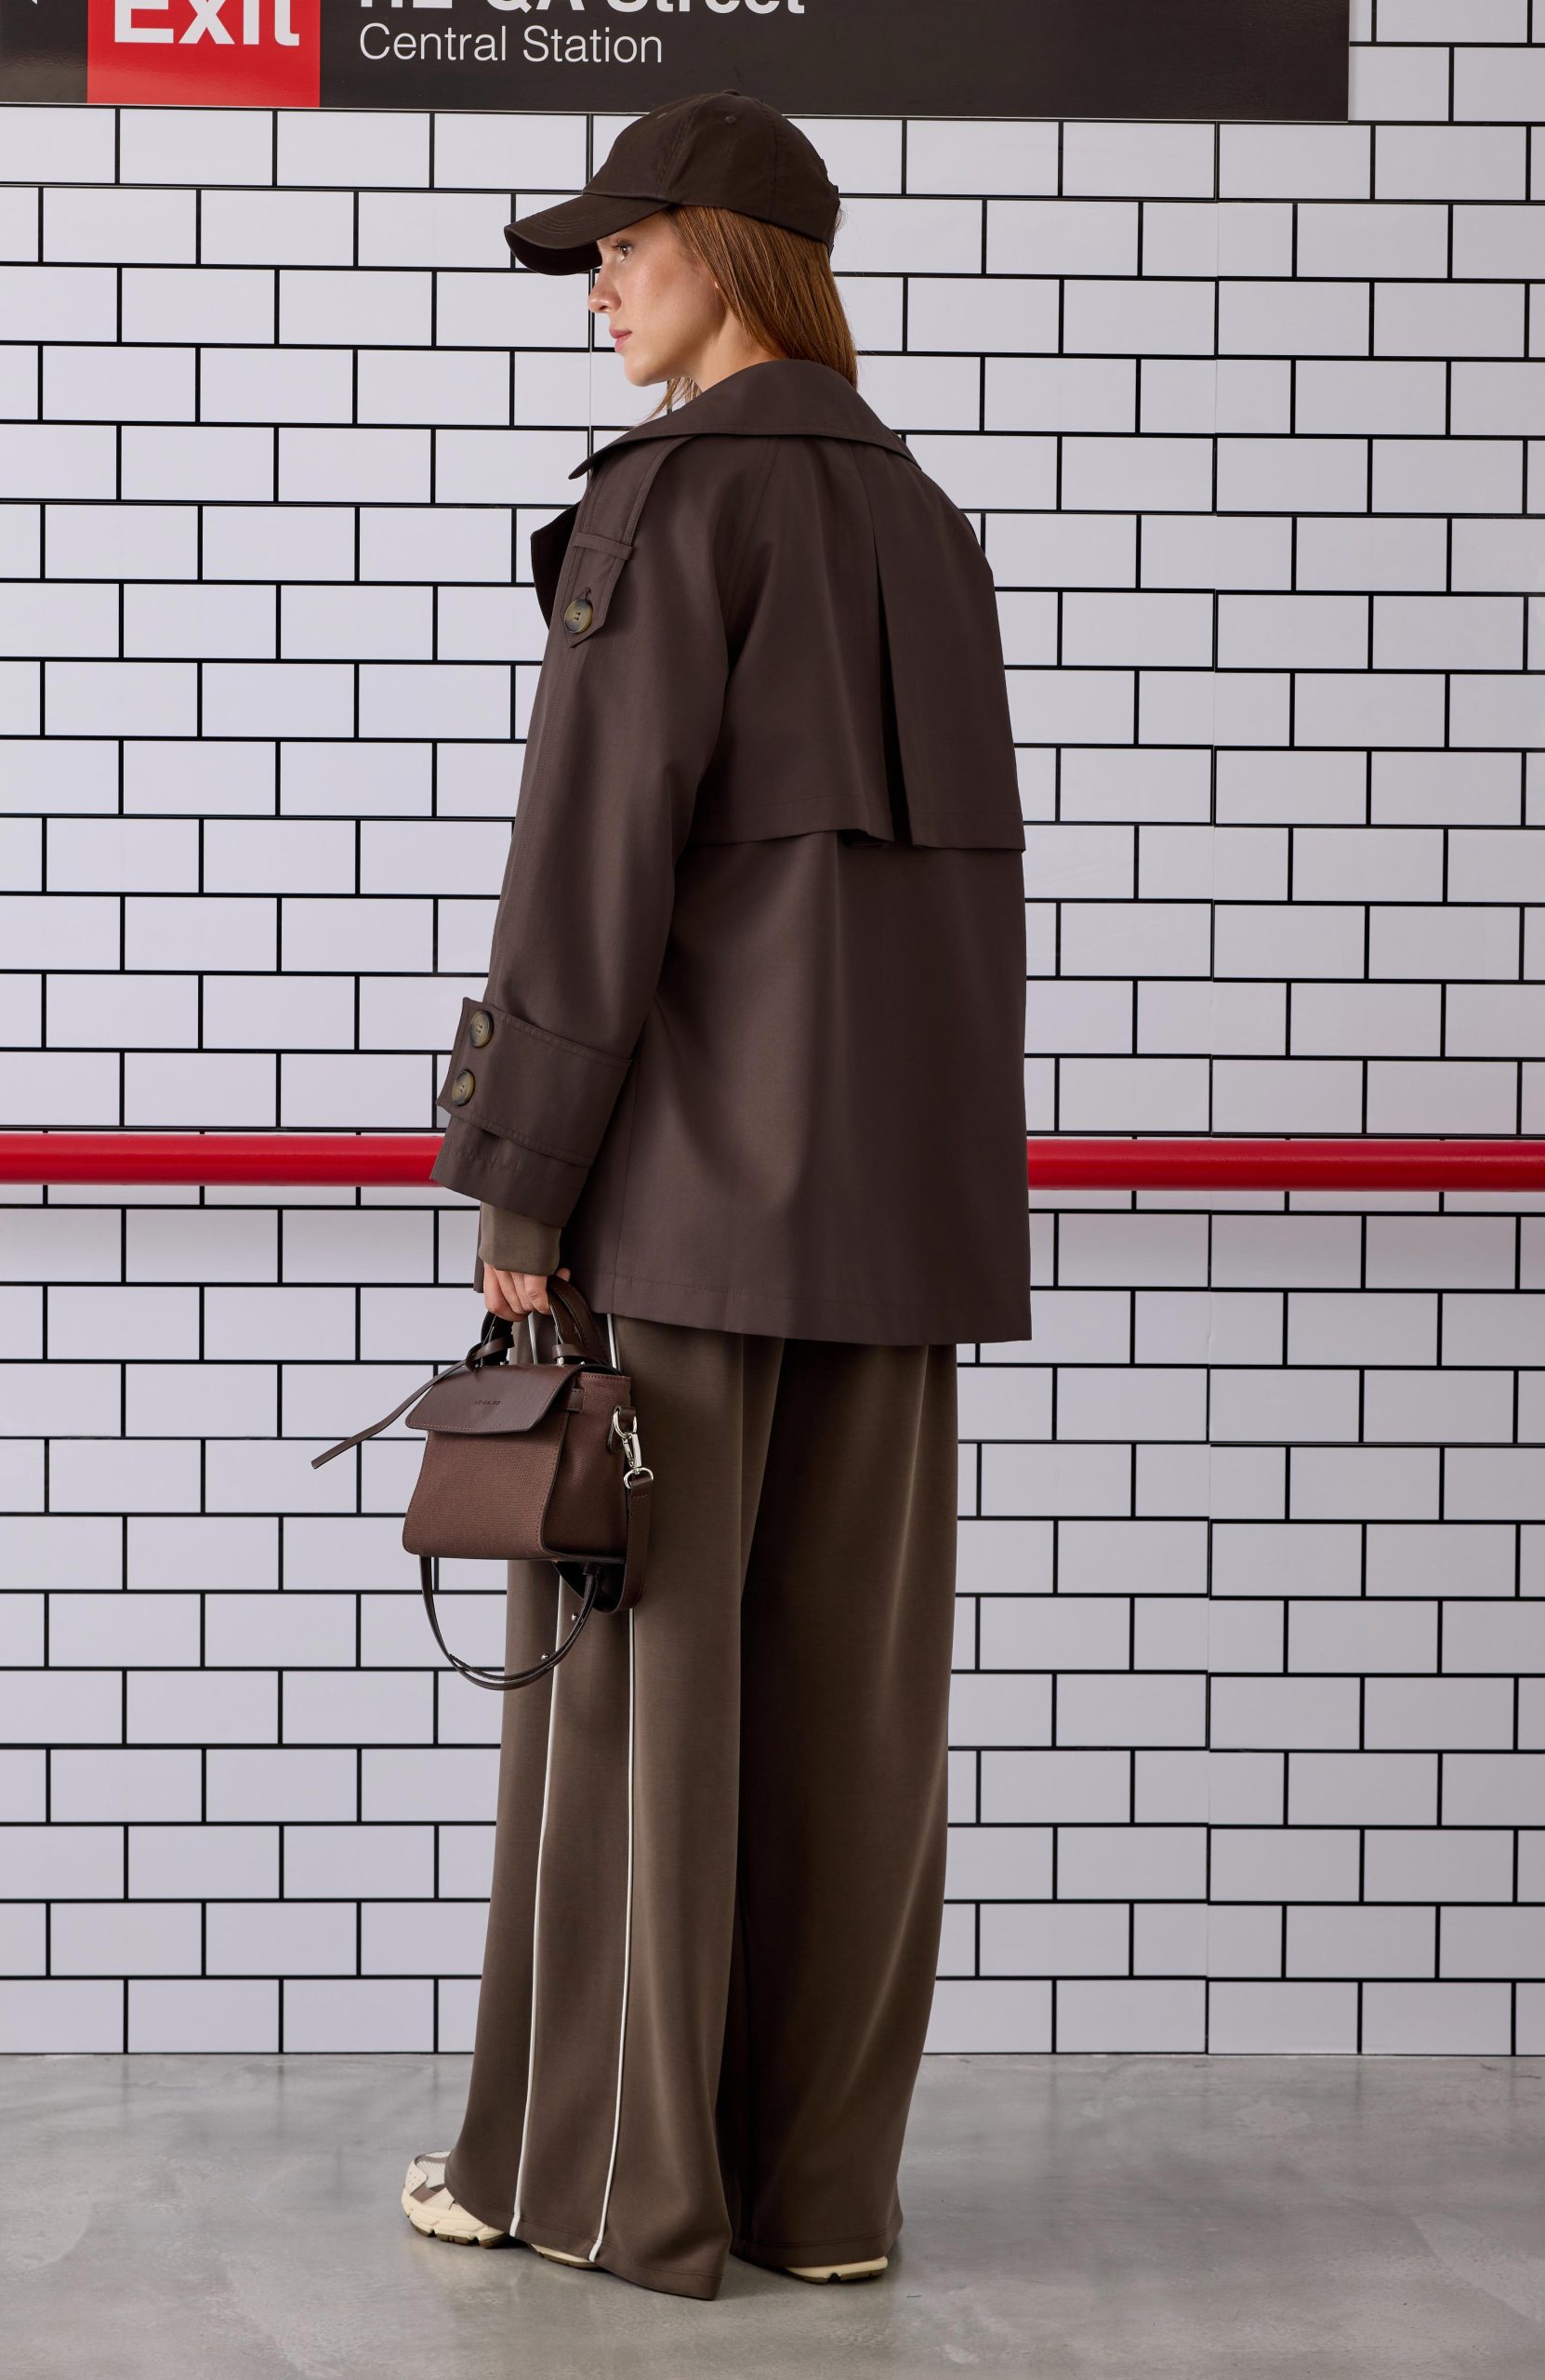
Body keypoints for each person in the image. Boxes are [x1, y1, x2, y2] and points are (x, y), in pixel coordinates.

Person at [399, 86, 1030, 2302]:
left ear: (736, 258)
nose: (601, 288)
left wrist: (518, 1188)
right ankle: (818, 2200)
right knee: (855, 1715)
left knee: (632, 1703)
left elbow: (589, 875)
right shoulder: (929, 526)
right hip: (901, 1225)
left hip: (677, 1210)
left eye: (627, 246)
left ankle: (607, 2183)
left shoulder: (663, 504)